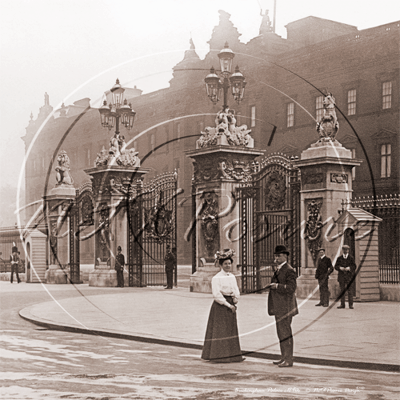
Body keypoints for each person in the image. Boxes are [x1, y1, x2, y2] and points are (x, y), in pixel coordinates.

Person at [201, 249, 244, 363]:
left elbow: (235, 289)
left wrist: (235, 299)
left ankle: (234, 355)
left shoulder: (232, 276)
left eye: (229, 263)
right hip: (221, 305)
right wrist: (228, 305)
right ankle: (219, 355)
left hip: (231, 303)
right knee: (220, 330)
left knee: (231, 329)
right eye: (225, 264)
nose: (228, 266)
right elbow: (216, 294)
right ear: (221, 265)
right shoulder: (216, 278)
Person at [268, 245, 298, 367]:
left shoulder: (289, 269)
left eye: (279, 255)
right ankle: (283, 356)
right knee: (280, 333)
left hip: (286, 307)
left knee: (285, 333)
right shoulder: (279, 268)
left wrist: (277, 286)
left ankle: (289, 359)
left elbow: (291, 288)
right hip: (279, 306)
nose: (276, 258)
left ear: (285, 256)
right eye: (275, 255)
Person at [335, 244, 356, 309]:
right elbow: (336, 266)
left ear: (348, 250)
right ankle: (342, 304)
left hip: (349, 277)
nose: (345, 251)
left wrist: (349, 268)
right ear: (342, 250)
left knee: (350, 291)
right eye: (344, 249)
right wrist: (340, 268)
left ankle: (351, 305)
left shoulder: (351, 258)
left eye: (346, 249)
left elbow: (354, 266)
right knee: (342, 291)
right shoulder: (339, 258)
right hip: (341, 277)